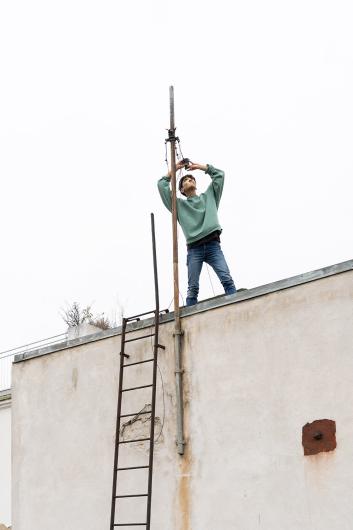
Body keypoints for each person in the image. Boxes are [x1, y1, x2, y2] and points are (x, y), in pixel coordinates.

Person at [157, 160, 236, 306]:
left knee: (226, 278)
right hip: (195, 249)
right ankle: (189, 317)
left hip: (213, 245)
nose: (189, 180)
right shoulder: (179, 205)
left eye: (191, 178)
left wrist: (200, 167)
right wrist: (174, 169)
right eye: (186, 180)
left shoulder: (209, 196)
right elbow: (161, 185)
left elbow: (219, 175)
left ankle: (237, 306)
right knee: (192, 288)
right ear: (181, 190)